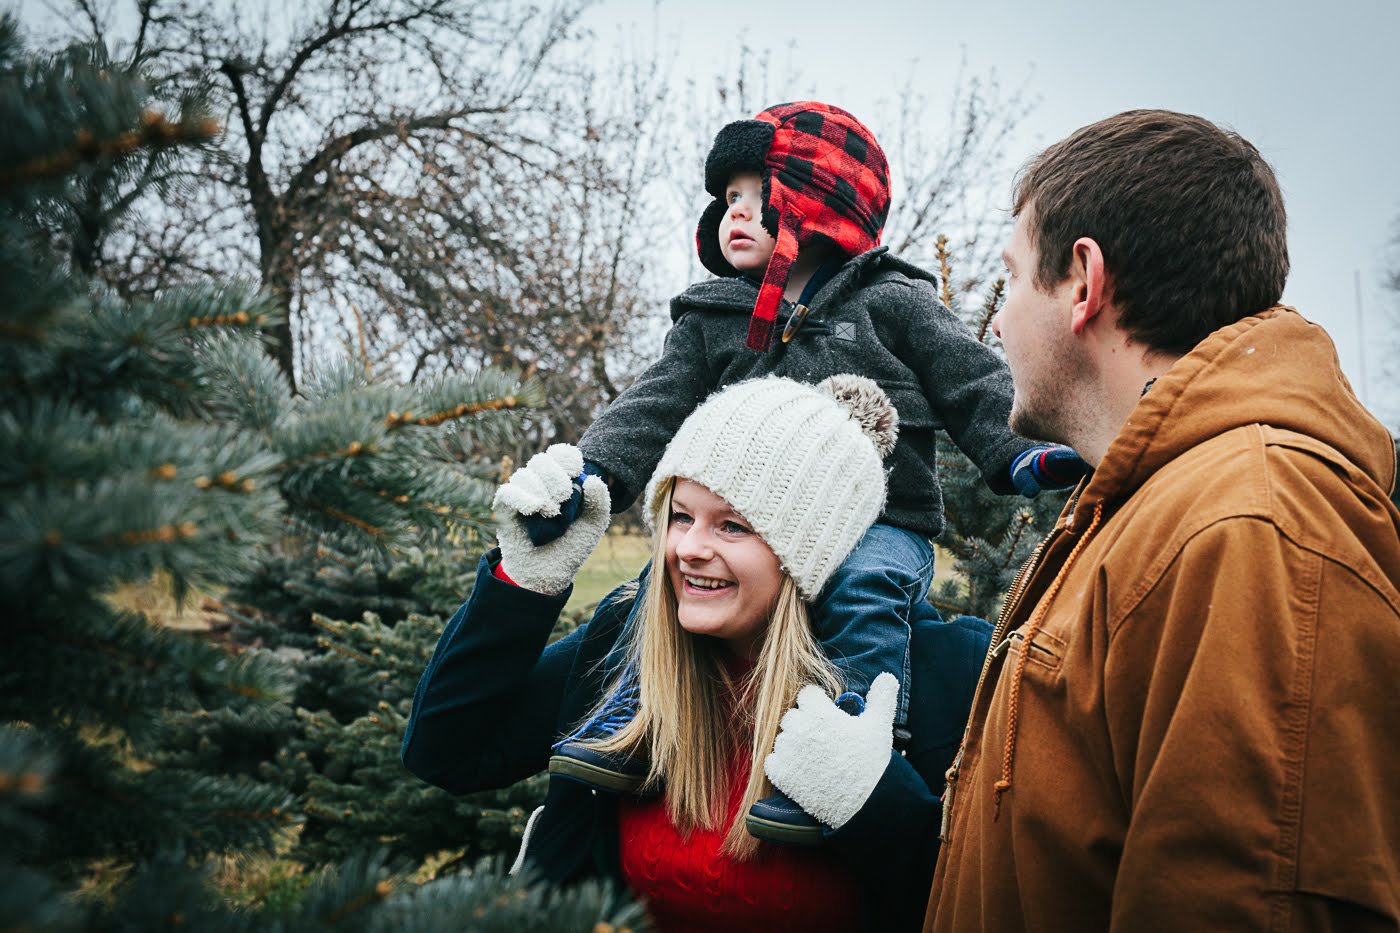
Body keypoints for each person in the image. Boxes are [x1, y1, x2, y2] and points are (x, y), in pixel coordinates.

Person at [529, 101, 1088, 839]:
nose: (735, 213)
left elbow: (972, 381)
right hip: (751, 527)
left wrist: (1020, 453)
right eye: (729, 198)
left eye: (757, 197)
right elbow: (650, 405)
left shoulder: (894, 303)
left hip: (880, 522)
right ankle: (634, 720)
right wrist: (595, 470)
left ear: (822, 206)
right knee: (659, 585)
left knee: (866, 593)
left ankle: (852, 739)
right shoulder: (712, 318)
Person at [924, 109, 1400, 932]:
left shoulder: (1251, 527)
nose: (996, 320)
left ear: (1083, 281)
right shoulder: (1151, 504)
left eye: (1012, 279)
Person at [402, 374, 991, 932]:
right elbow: (448, 754)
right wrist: (524, 584)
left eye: (732, 525)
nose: (688, 548)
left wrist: (874, 799)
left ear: (810, 551)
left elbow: (996, 900)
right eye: (681, 516)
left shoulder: (946, 674)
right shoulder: (627, 646)